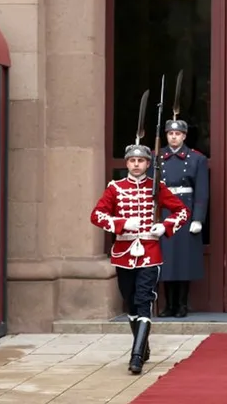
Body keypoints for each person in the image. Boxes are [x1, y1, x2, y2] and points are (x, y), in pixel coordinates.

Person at [90, 143, 190, 375]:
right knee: (131, 302)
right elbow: (96, 215)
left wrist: (164, 226)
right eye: (132, 161)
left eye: (141, 161)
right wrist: (122, 223)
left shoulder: (157, 187)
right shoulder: (115, 188)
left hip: (149, 252)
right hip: (123, 254)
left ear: (147, 164)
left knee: (144, 301)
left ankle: (136, 356)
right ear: (127, 163)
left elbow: (182, 211)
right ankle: (143, 346)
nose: (136, 164)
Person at [156, 119, 209, 318]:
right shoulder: (157, 157)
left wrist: (198, 218)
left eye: (177, 134)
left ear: (184, 136)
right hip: (164, 212)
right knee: (166, 260)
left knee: (183, 260)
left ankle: (181, 305)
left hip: (185, 211)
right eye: (170, 134)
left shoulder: (196, 159)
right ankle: (169, 305)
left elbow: (201, 192)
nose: (174, 137)